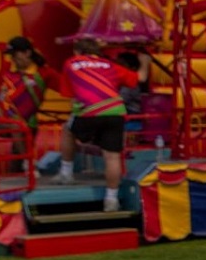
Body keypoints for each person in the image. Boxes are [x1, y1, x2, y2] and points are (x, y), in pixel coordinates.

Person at [58, 40, 145, 212]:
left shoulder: (71, 63)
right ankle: (111, 200)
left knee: (67, 130)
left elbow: (69, 95)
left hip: (90, 111)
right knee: (112, 157)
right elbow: (140, 78)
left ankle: (66, 173)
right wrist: (145, 60)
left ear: (77, 51)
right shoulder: (109, 64)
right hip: (116, 111)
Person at [0, 36, 57, 131]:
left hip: (29, 124)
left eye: (15, 55)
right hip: (4, 122)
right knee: (16, 126)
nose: (13, 59)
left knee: (19, 129)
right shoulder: (5, 69)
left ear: (27, 53)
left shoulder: (43, 73)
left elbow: (67, 87)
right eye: (11, 55)